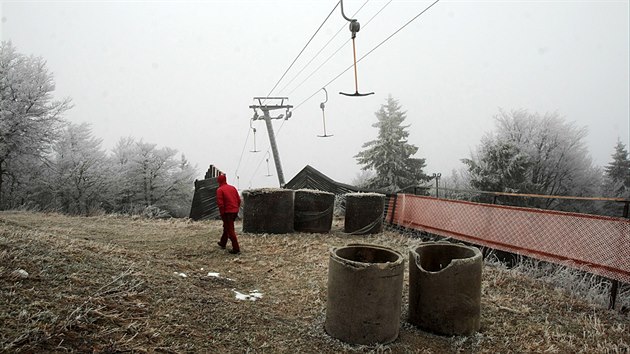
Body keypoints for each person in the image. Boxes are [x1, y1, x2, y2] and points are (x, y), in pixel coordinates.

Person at [216, 174, 241, 254]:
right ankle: (222, 242)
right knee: (226, 226)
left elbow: (220, 204)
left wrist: (222, 214)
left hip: (227, 212)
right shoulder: (232, 188)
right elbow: (239, 200)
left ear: (219, 181)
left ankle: (236, 248)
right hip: (234, 211)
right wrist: (236, 208)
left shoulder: (220, 190)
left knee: (230, 229)